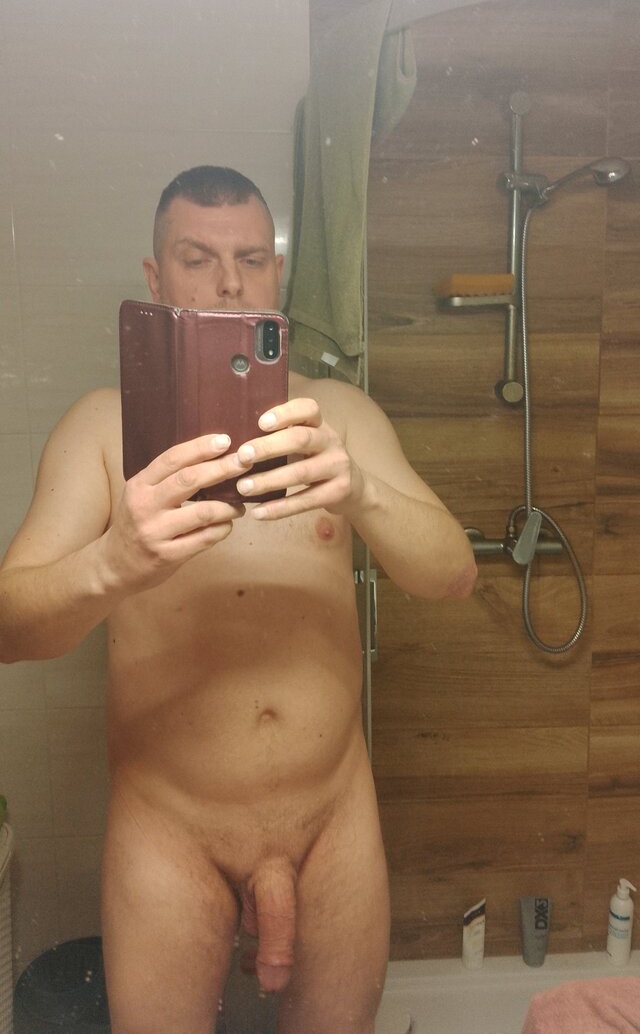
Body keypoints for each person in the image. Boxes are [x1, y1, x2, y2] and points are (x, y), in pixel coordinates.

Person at [0, 166, 476, 1034]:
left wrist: (360, 491)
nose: (228, 283)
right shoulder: (101, 430)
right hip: (168, 827)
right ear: (154, 278)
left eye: (251, 259)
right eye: (197, 259)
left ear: (277, 273)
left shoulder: (336, 418)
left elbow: (452, 574)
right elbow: (9, 625)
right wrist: (113, 561)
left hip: (334, 816)